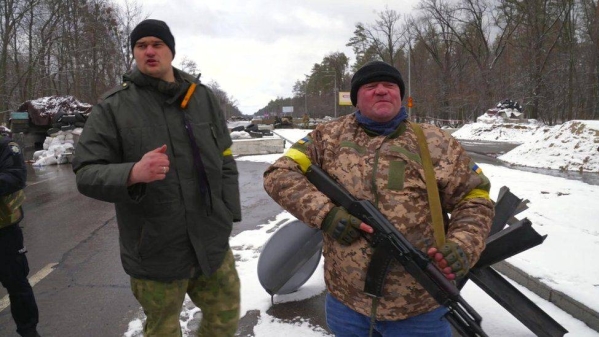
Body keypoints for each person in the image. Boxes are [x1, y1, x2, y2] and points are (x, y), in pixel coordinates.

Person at [263, 60, 494, 336]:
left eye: (390, 86)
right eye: (371, 86)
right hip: (346, 304)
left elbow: (474, 197)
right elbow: (278, 174)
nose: (382, 91)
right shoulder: (327, 138)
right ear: (356, 99)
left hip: (419, 306)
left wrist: (463, 245)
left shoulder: (437, 142)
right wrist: (325, 214)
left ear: (401, 96)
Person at [72, 19, 241, 337]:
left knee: (225, 316)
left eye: (157, 44)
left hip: (210, 241)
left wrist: (227, 214)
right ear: (134, 53)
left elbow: (225, 158)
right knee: (163, 330)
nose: (149, 50)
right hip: (154, 250)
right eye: (141, 45)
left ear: (171, 51)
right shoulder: (113, 108)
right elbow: (85, 172)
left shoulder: (201, 98)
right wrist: (133, 173)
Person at [0, 130, 41, 337]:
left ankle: (28, 332)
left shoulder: (6, 147)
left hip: (4, 232)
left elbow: (15, 176)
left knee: (17, 285)